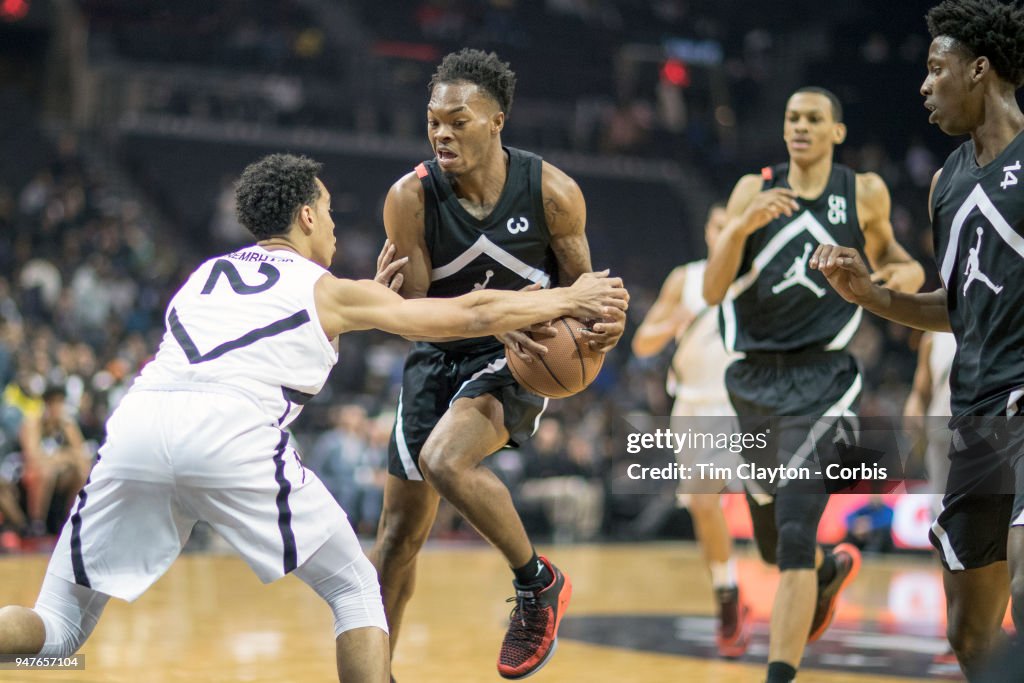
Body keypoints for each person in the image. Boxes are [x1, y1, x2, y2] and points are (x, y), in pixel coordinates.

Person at [0, 153, 628, 683]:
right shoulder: (327, 289)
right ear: (305, 216)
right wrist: (567, 297)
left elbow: (275, 330)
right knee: (357, 589)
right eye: (327, 212)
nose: (332, 224)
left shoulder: (205, 275)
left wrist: (370, 301)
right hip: (228, 430)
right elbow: (465, 317)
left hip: (137, 426)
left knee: (54, 635)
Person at [369, 48, 626, 681]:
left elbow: (585, 299)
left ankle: (537, 583)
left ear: (497, 121)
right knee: (398, 539)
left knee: (444, 459)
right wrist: (391, 300)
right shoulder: (410, 198)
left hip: (517, 355)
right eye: (434, 120)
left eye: (458, 119)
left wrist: (607, 330)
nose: (441, 132)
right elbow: (417, 317)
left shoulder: (553, 192)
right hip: (436, 356)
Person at [811, 1, 1024, 676]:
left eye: (937, 69)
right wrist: (874, 295)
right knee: (969, 633)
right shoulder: (946, 184)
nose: (923, 87)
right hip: (975, 419)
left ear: (980, 69)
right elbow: (958, 307)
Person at [703, 87, 925, 683]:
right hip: (752, 383)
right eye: (792, 118)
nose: (800, 127)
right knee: (775, 547)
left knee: (797, 534)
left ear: (836, 132)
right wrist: (741, 225)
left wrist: (882, 279)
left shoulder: (863, 193)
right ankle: (827, 573)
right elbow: (711, 290)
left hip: (825, 381)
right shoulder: (755, 189)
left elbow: (906, 266)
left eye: (814, 119)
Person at [631, 203, 750, 658]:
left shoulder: (756, 275)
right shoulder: (687, 278)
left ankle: (809, 576)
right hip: (695, 406)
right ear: (707, 230)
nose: (724, 232)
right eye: (718, 224)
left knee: (765, 509)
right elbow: (643, 342)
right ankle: (727, 594)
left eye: (732, 226)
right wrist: (671, 323)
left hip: (746, 404)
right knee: (703, 503)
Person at [18, 384, 90, 536]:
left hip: (59, 474)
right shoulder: (33, 423)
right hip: (29, 474)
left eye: (60, 403)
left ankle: (69, 519)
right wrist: (64, 457)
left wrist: (59, 457)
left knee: (80, 473)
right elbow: (33, 457)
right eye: (54, 403)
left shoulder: (67, 425)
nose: (57, 407)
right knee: (46, 473)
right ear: (46, 405)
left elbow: (81, 456)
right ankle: (37, 522)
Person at [903, 331, 957, 513]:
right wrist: (914, 408)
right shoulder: (932, 337)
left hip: (978, 422)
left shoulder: (986, 324)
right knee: (941, 499)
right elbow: (921, 389)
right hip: (942, 425)